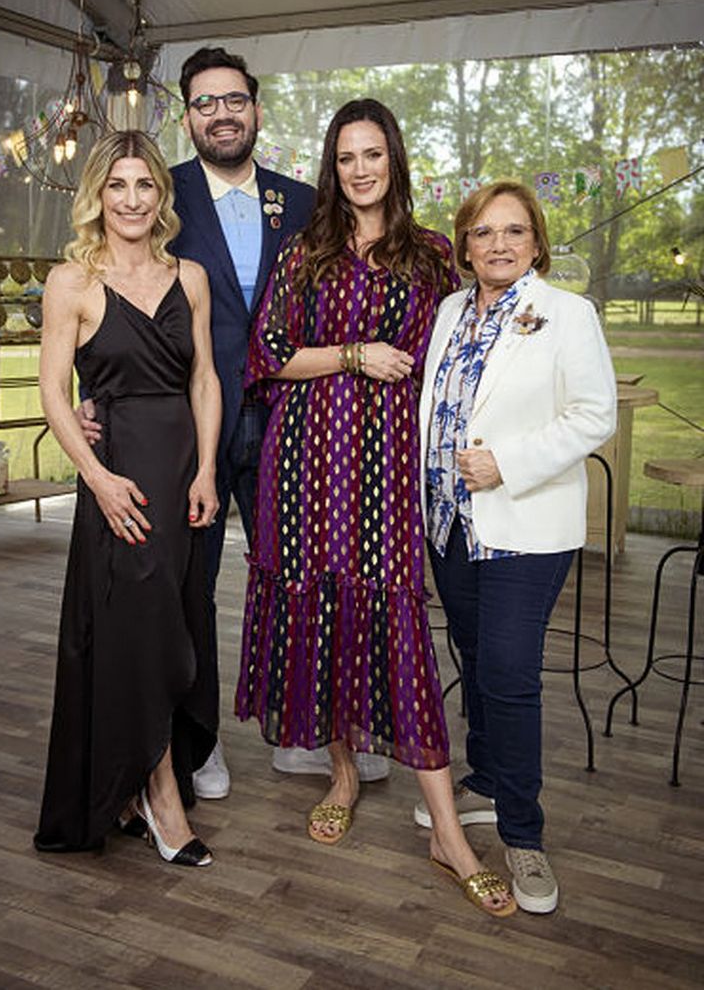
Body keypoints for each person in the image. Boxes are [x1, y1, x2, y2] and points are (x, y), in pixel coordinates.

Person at [79, 47, 388, 796]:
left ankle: (303, 734)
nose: (222, 114)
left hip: (296, 420)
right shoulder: (159, 191)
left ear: (256, 108)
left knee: (301, 578)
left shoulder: (303, 201)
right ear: (187, 117)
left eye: (234, 100)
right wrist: (96, 392)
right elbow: (112, 289)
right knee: (190, 584)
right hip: (193, 425)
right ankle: (198, 742)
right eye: (205, 103)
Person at [235, 99, 516, 918]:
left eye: (372, 154)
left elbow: (457, 358)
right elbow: (269, 355)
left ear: (394, 158)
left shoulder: (431, 256)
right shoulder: (306, 250)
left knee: (396, 624)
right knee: (321, 613)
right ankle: (344, 773)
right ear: (334, 167)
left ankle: (445, 832)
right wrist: (356, 354)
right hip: (302, 462)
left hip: (386, 467)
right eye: (346, 157)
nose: (360, 169)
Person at [416, 179, 616, 913]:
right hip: (451, 525)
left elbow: (594, 415)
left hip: (524, 526)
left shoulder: (567, 314)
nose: (498, 244)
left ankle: (523, 835)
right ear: (464, 246)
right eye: (483, 232)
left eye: (514, 231)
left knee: (508, 672)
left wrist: (509, 461)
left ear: (536, 243)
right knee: (474, 658)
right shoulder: (448, 311)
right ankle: (487, 779)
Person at [34, 130, 221, 867]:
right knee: (135, 630)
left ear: (161, 197)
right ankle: (159, 793)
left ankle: (138, 782)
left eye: (145, 185)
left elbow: (204, 378)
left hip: (181, 474)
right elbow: (54, 393)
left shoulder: (191, 277)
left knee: (175, 621)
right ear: (98, 196)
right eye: (118, 185)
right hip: (119, 479)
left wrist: (208, 470)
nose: (133, 199)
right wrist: (97, 478)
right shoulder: (71, 283)